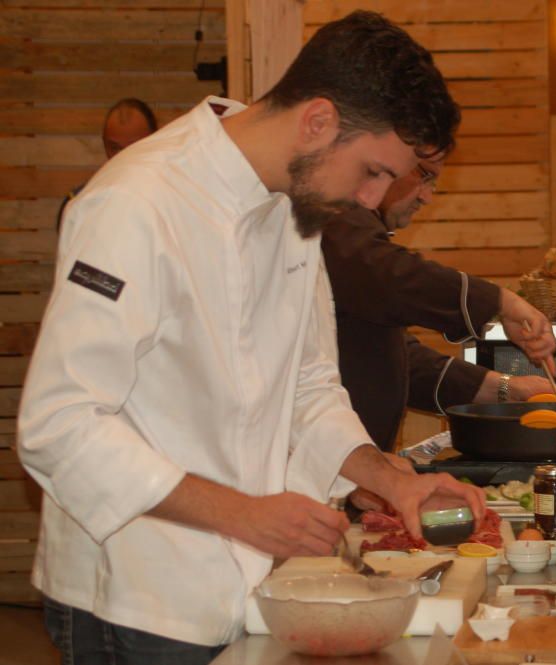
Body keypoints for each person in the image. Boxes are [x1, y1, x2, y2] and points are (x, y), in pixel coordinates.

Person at [18, 11, 484, 664]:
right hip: (137, 596)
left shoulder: (293, 208)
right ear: (318, 120)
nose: (372, 199)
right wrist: (241, 512)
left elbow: (308, 382)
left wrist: (386, 476)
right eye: (373, 171)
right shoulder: (135, 204)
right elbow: (59, 424)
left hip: (251, 582)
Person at [322, 154, 556, 451]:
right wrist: (500, 302)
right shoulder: (333, 214)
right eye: (424, 176)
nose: (427, 197)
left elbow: (393, 357)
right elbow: (389, 275)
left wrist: (504, 389)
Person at [57, 98, 159, 229]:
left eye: (133, 148)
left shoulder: (172, 201)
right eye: (115, 148)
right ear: (104, 143)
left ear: (154, 142)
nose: (122, 157)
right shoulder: (79, 204)